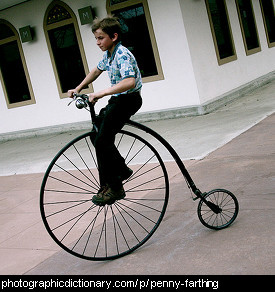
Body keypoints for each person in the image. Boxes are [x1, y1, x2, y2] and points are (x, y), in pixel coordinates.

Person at [68, 16, 142, 206]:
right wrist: (79, 88)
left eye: (101, 38)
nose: (97, 42)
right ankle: (119, 172)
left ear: (114, 36)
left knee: (102, 140)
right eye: (96, 38)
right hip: (118, 100)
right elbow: (96, 71)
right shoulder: (109, 54)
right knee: (96, 135)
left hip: (129, 100)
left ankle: (117, 185)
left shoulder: (122, 54)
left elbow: (129, 81)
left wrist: (100, 93)